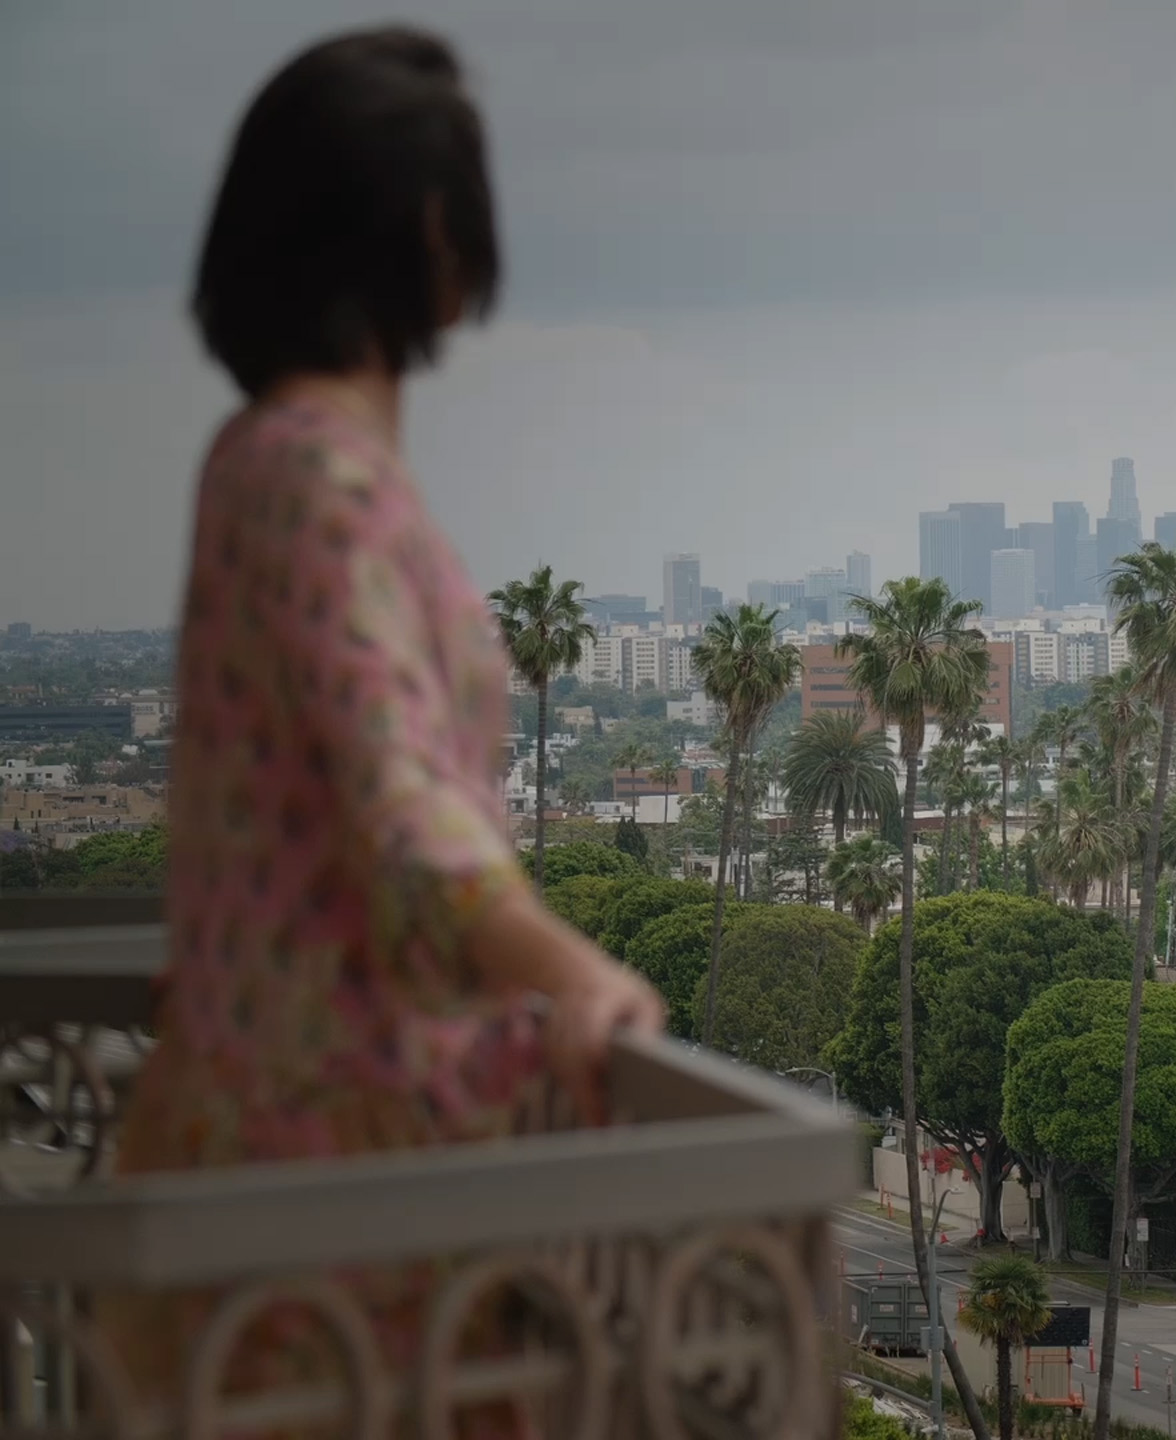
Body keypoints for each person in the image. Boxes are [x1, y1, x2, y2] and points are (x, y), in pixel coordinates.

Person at [111, 24, 663, 1392]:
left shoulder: (262, 460)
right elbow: (408, 815)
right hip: (338, 1207)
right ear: (429, 226)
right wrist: (576, 972)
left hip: (260, 1173)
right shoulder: (321, 480)